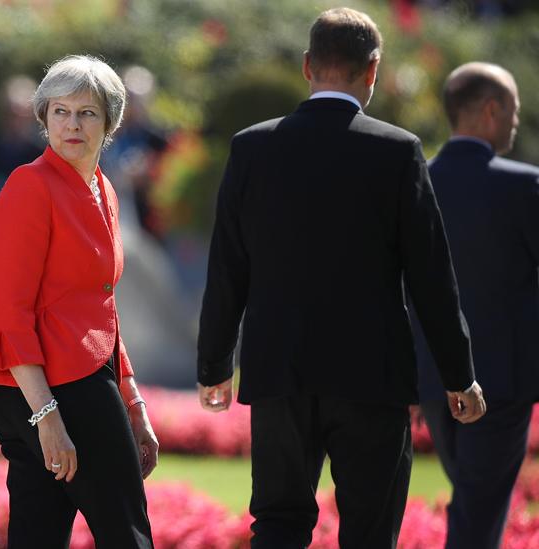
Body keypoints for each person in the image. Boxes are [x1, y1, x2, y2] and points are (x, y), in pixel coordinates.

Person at [196, 8, 486, 548]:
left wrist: (215, 364)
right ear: (372, 70)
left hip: (279, 367)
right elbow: (431, 276)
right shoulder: (398, 151)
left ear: (307, 66)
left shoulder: (252, 147)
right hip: (370, 375)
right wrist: (457, 373)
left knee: (279, 525)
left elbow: (228, 266)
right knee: (370, 532)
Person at [0, 54, 157, 549]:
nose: (72, 123)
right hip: (53, 390)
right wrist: (47, 419)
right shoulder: (30, 185)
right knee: (128, 535)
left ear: (110, 123)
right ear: (43, 117)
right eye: (60, 111)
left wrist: (133, 400)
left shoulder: (104, 190)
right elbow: (10, 313)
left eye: (87, 112)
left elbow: (100, 308)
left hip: (73, 382)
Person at [413, 62, 539, 549]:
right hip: (502, 381)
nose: (515, 121)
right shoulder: (522, 185)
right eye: (513, 111)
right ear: (491, 110)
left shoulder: (414, 181)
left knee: (472, 500)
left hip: (431, 379)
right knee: (477, 512)